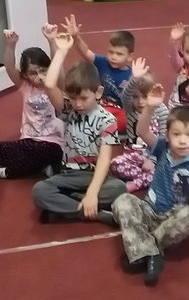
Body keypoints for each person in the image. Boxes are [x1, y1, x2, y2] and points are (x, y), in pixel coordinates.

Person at [111, 83, 189, 286]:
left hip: (171, 218)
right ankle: (152, 252)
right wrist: (150, 107)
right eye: (176, 134)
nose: (182, 141)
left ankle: (144, 248)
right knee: (123, 201)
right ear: (168, 136)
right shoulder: (162, 147)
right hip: (149, 209)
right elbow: (142, 130)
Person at [32, 33, 126, 224]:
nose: (78, 104)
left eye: (83, 98)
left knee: (119, 189)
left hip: (93, 175)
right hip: (68, 174)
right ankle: (97, 214)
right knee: (39, 191)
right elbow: (49, 84)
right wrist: (61, 52)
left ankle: (66, 206)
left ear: (98, 92)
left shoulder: (107, 119)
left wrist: (92, 193)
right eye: (73, 98)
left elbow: (104, 159)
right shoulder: (68, 110)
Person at [0, 25, 64, 180]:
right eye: (33, 73)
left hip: (51, 143)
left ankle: (5, 172)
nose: (39, 76)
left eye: (43, 70)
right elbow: (9, 67)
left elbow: (57, 67)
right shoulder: (25, 86)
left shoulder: (54, 86)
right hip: (27, 142)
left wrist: (52, 41)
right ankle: (41, 166)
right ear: (25, 75)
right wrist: (10, 45)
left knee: (46, 153)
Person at [61, 13, 134, 134]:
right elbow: (86, 52)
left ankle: (98, 128)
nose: (113, 57)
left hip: (117, 111)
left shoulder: (132, 75)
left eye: (119, 54)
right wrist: (76, 37)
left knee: (125, 121)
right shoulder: (102, 62)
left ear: (130, 57)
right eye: (111, 52)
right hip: (97, 104)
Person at [109, 57, 168, 192]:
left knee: (162, 171)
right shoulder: (130, 108)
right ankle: (144, 178)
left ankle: (134, 184)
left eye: (145, 97)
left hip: (154, 156)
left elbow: (163, 140)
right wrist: (134, 79)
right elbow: (125, 96)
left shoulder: (162, 110)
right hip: (133, 154)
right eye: (136, 97)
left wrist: (152, 160)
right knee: (114, 165)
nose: (140, 102)